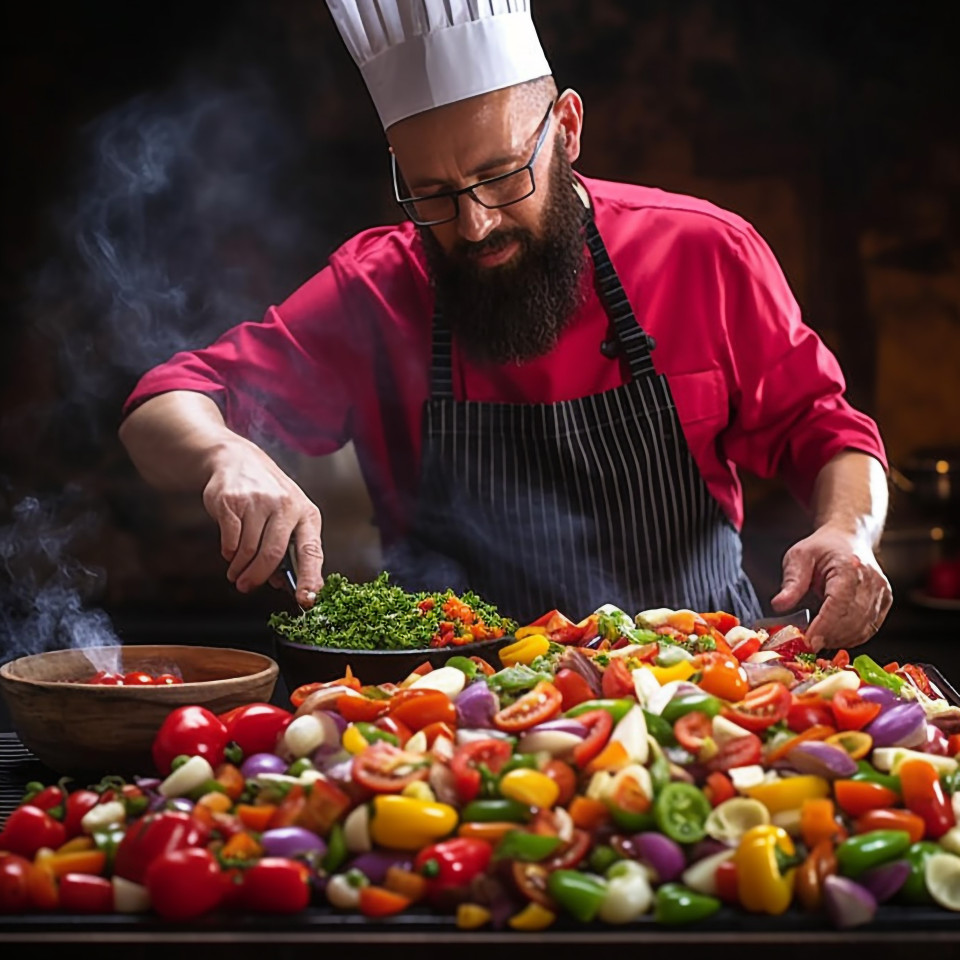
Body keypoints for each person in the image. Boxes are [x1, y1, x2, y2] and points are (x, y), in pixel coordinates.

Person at [119, 0, 891, 649]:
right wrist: (223, 453)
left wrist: (849, 533)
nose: (476, 223)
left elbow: (825, 428)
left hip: (703, 693)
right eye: (433, 194)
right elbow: (162, 407)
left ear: (567, 126)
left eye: (499, 174)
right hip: (455, 725)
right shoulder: (376, 288)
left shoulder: (703, 252)